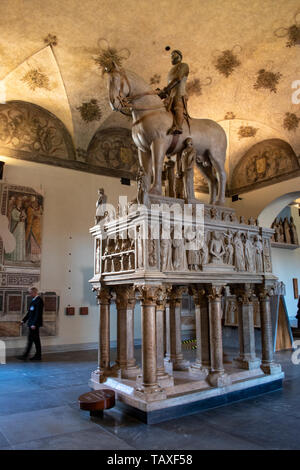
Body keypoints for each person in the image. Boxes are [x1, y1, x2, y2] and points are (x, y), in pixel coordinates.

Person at [158, 49, 189, 135]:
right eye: (171, 55)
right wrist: (164, 93)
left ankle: (178, 127)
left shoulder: (183, 65)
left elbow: (178, 78)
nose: (171, 56)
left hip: (179, 92)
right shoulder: (171, 70)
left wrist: (167, 89)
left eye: (173, 54)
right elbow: (170, 84)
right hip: (171, 94)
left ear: (179, 56)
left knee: (177, 107)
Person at [17, 287, 43, 361]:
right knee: (33, 340)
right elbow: (30, 312)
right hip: (32, 323)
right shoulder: (34, 300)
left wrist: (34, 324)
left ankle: (30, 356)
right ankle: (35, 356)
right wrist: (23, 320)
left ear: (35, 292)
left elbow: (38, 314)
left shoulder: (39, 300)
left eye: (31, 293)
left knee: (33, 340)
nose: (30, 294)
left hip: (34, 325)